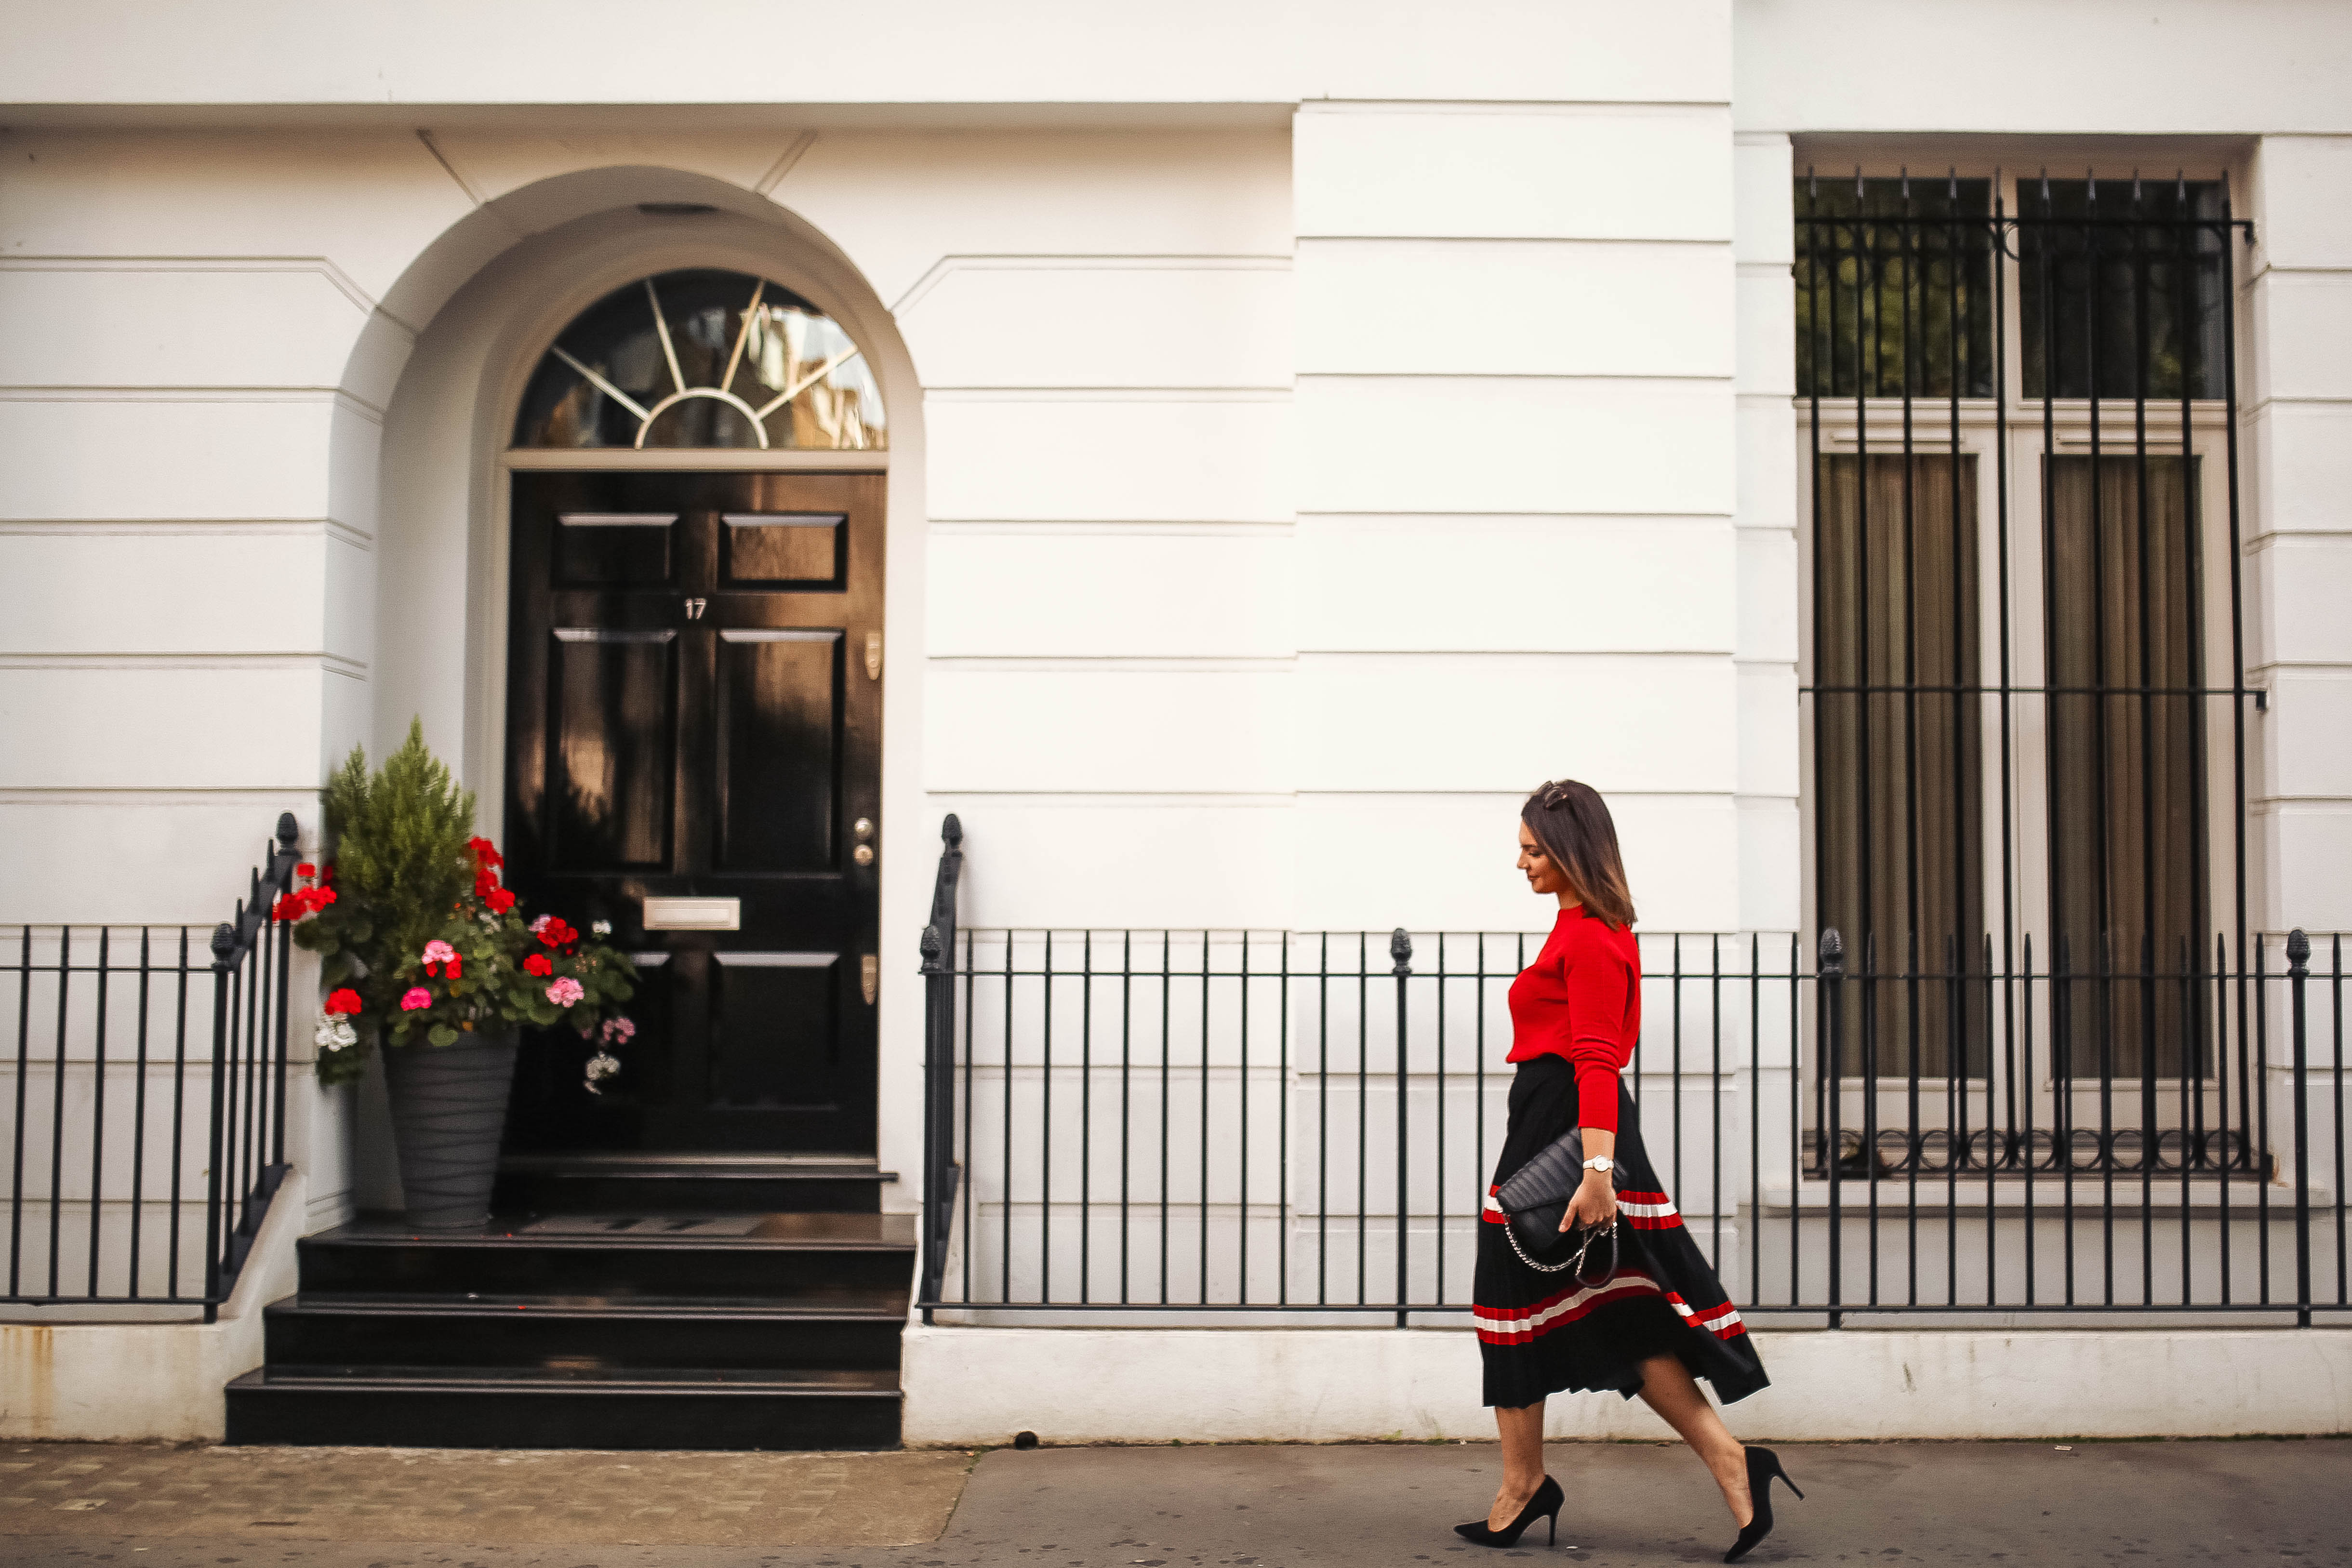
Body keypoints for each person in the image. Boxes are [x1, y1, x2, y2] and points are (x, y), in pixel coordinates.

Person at [1459, 780, 1798, 1565]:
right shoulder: (1578, 925)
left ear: (1573, 850)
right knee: (1623, 1306)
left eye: (1533, 849)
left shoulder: (1592, 938)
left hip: (1569, 1132)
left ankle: (1525, 1485)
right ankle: (1728, 1463)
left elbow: (1597, 1058)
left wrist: (1597, 1168)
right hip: (1562, 1127)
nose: (1520, 862)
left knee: (1507, 1298)